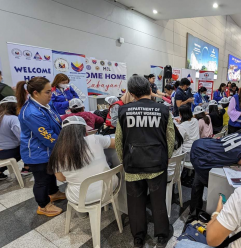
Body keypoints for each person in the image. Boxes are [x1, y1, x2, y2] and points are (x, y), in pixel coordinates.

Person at [116, 75, 174, 247]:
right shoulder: (163, 110)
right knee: (158, 201)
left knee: (135, 203)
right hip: (157, 164)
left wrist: (124, 160)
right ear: (150, 89)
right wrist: (167, 157)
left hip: (133, 165)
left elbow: (119, 140)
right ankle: (162, 235)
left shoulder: (124, 111)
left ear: (132, 94)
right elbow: (170, 138)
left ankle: (138, 237)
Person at [189, 117, 241, 215]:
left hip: (202, 145)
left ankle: (194, 212)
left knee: (198, 182)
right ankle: (202, 213)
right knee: (208, 182)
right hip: (204, 155)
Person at [16, 77, 66, 217]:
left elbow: (57, 121)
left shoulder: (46, 104)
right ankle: (43, 205)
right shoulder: (31, 112)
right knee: (41, 180)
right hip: (37, 153)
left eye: (51, 91)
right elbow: (48, 137)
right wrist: (66, 144)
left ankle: (54, 193)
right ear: (36, 93)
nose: (51, 95)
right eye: (48, 92)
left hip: (48, 150)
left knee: (50, 173)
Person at [48, 116, 118, 204]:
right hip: (110, 187)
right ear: (83, 129)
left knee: (72, 185)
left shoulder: (57, 152)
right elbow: (117, 143)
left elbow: (61, 178)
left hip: (81, 197)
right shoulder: (95, 139)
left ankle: (83, 214)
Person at [0, 96, 23, 180]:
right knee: (28, 146)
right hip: (9, 152)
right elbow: (21, 137)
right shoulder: (13, 119)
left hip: (2, 151)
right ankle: (27, 168)